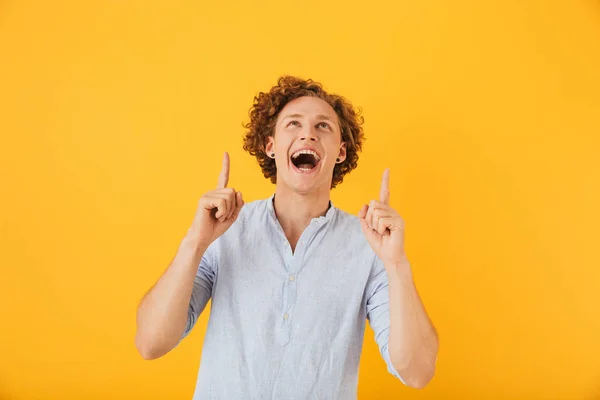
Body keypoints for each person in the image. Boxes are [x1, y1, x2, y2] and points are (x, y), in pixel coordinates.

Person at [135, 76, 439, 399]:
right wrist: (195, 241)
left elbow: (418, 371)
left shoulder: (369, 245)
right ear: (270, 146)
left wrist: (397, 264)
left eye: (323, 126)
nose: (308, 133)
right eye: (294, 124)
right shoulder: (225, 230)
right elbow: (150, 342)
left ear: (340, 151)